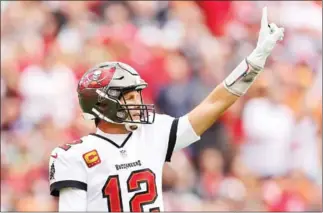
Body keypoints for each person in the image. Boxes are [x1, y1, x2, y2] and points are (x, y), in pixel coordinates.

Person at [48, 7, 284, 211]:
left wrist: (253, 63)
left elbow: (214, 103)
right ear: (102, 106)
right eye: (128, 97)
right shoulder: (73, 156)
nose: (137, 103)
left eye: (136, 95)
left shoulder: (153, 132)